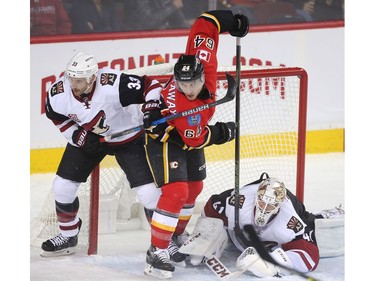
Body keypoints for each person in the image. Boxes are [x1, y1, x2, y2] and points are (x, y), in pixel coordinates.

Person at [141, 10, 249, 278]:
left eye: (192, 83)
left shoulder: (204, 62)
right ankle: (156, 251)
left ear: (202, 76)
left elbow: (204, 24)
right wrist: (222, 132)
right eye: (182, 84)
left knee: (195, 188)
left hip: (189, 134)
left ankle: (175, 237)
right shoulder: (185, 107)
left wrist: (231, 21)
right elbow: (198, 138)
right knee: (176, 192)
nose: (187, 88)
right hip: (165, 138)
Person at [41, 52, 164, 257]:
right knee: (62, 187)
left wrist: (151, 108)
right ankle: (68, 235)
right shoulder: (58, 93)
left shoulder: (113, 84)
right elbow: (58, 119)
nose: (74, 85)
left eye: (79, 80)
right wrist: (77, 136)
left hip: (128, 139)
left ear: (92, 78)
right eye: (71, 78)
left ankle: (164, 244)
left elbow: (151, 85)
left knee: (150, 194)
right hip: (91, 140)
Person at [185, 172, 344, 277]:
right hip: (240, 237)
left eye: (270, 206)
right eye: (261, 202)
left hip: (271, 240)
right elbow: (212, 206)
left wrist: (275, 263)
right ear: (256, 197)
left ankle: (323, 215)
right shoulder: (240, 200)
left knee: (310, 224)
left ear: (279, 206)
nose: (264, 208)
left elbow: (310, 256)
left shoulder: (290, 220)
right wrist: (205, 237)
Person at [121, 0, 190, 31]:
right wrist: (173, 6)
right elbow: (148, 22)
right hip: (137, 39)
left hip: (163, 39)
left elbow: (177, 19)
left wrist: (190, 29)